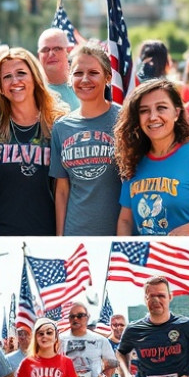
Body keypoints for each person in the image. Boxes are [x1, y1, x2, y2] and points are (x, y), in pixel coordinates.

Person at [115, 79, 189, 236]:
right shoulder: (133, 159)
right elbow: (125, 220)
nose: (153, 117)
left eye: (161, 108)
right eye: (144, 110)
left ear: (176, 113)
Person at [0, 48, 68, 235]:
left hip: (46, 234)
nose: (15, 81)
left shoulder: (58, 126)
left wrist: (60, 238)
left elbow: (64, 190)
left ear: (34, 77)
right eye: (7, 77)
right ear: (0, 88)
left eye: (21, 73)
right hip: (2, 235)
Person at [49, 43, 122, 236]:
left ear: (108, 77)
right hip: (76, 233)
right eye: (78, 73)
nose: (85, 79)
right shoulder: (61, 127)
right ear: (70, 78)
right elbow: (62, 189)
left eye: (93, 73)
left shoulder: (124, 119)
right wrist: (60, 237)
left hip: (117, 233)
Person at [37, 28, 80, 111]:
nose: (51, 54)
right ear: (39, 55)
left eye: (57, 49)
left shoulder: (83, 86)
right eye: (45, 50)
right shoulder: (33, 93)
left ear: (68, 51)